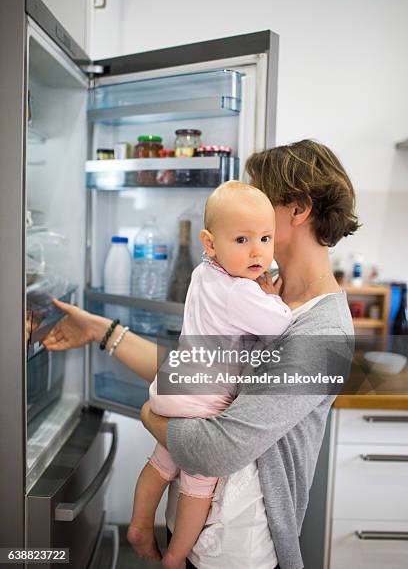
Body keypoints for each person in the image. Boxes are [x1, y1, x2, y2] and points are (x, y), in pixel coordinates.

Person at [43, 139, 358, 569]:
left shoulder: (325, 334)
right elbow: (200, 372)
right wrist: (104, 330)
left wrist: (153, 415)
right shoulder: (258, 290)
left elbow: (216, 451)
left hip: (238, 547)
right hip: (189, 521)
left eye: (260, 196)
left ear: (298, 209)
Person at [127, 181, 292, 569]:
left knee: (162, 462)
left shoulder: (204, 274)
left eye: (265, 238)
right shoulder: (242, 291)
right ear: (210, 241)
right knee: (199, 483)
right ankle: (176, 556)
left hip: (175, 381)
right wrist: (271, 297)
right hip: (205, 395)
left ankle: (137, 525)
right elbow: (281, 324)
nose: (257, 251)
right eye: (242, 239)